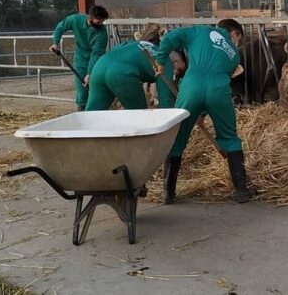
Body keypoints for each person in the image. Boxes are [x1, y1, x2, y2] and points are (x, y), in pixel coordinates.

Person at [155, 19, 250, 204]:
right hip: (219, 90)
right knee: (230, 138)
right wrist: (205, 110)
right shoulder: (234, 55)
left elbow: (168, 39)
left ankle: (168, 192)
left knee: (178, 136)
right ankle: (241, 191)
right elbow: (219, 79)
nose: (237, 43)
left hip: (191, 87)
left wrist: (160, 63)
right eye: (239, 39)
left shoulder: (199, 31)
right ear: (235, 33)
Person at [85, 23, 175, 111]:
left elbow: (115, 52)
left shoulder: (129, 44)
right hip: (120, 73)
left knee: (92, 114)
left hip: (100, 66)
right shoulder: (163, 58)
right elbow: (166, 101)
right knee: (138, 115)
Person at [50, 5, 109, 111]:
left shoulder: (102, 32)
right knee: (81, 88)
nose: (100, 24)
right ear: (90, 17)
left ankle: (98, 111)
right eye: (98, 21)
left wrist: (90, 73)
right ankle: (81, 111)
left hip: (96, 60)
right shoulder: (75, 20)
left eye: (102, 22)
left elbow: (97, 53)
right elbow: (60, 27)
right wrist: (55, 42)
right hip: (80, 57)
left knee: (96, 85)